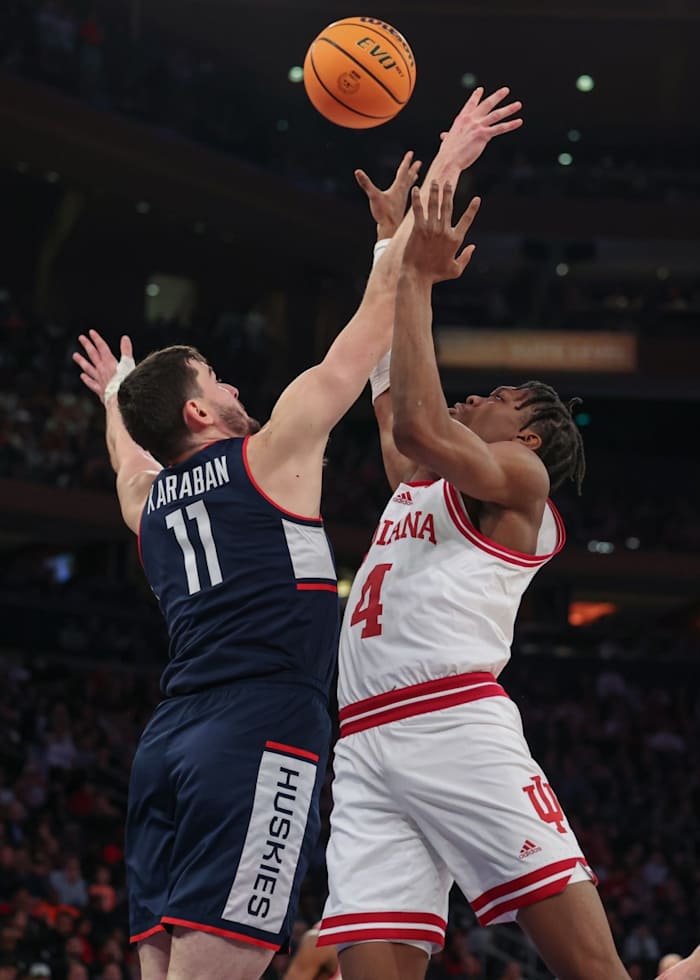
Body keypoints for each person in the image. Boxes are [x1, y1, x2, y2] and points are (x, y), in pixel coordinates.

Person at [72, 85, 523, 980]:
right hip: (259, 726)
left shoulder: (150, 502)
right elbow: (374, 316)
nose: (235, 386)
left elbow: (128, 461)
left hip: (169, 741)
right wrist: (447, 165)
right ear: (199, 412)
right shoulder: (270, 454)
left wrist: (118, 399)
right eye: (217, 379)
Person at [317, 180, 630, 980]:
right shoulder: (423, 480)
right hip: (362, 739)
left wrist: (420, 278)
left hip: (454, 724)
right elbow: (393, 404)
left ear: (528, 435)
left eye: (497, 397)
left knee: (592, 971)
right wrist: (390, 254)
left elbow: (420, 421)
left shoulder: (522, 477)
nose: (476, 396)